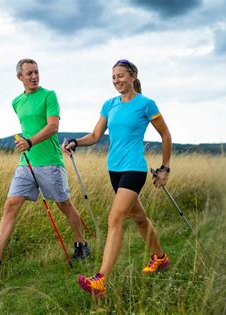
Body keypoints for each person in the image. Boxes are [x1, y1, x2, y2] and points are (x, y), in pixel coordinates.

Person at [0, 58, 91, 275]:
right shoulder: (16, 102)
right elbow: (28, 127)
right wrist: (25, 142)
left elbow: (53, 126)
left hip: (50, 162)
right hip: (26, 163)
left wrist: (31, 142)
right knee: (11, 204)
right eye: (29, 74)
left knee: (64, 205)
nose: (34, 76)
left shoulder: (49, 95)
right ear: (20, 77)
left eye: (36, 72)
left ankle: (81, 245)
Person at [63, 59, 172, 297]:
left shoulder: (146, 104)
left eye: (121, 76)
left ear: (133, 76)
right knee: (139, 217)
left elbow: (165, 136)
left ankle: (100, 280)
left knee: (115, 219)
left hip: (134, 169)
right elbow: (95, 135)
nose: (116, 81)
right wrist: (75, 142)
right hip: (114, 169)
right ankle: (160, 258)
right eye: (113, 77)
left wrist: (165, 169)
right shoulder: (109, 104)